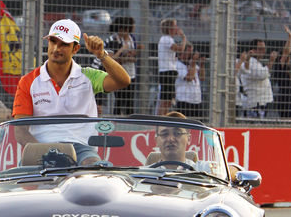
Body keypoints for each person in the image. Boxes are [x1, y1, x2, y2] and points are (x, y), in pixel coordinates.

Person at [12, 19, 130, 163]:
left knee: (95, 170)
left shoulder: (88, 76)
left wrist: (101, 55)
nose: (56, 48)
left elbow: (123, 81)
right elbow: (20, 131)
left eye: (64, 44)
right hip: (41, 148)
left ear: (75, 49)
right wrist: (48, 153)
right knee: (19, 181)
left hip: (81, 148)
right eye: (53, 41)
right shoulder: (28, 81)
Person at [97, 16, 142, 115]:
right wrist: (124, 53)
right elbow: (112, 59)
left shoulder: (132, 38)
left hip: (131, 72)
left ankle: (130, 123)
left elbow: (130, 54)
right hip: (119, 74)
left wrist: (133, 53)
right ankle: (116, 122)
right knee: (119, 100)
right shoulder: (114, 40)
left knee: (130, 100)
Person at [156, 18, 187, 115]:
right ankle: (161, 120)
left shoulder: (169, 39)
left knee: (169, 100)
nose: (177, 28)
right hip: (166, 71)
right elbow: (180, 49)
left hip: (170, 71)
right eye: (175, 26)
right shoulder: (166, 39)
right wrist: (183, 38)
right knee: (164, 100)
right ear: (170, 28)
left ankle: (164, 118)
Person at [239, 38, 276, 118]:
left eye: (264, 49)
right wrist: (271, 61)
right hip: (255, 103)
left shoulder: (256, 62)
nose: (263, 51)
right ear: (253, 50)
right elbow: (262, 75)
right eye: (260, 49)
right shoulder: (251, 62)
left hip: (260, 102)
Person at [272, 25, 291, 118]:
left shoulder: (283, 68)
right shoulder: (280, 67)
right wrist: (290, 37)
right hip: (285, 100)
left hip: (288, 99)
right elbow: (286, 52)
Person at [175, 43, 204, 119]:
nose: (191, 54)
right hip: (184, 101)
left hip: (196, 100)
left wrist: (201, 64)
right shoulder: (177, 65)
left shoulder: (192, 64)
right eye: (189, 52)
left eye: (192, 51)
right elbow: (189, 78)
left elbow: (202, 78)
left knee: (197, 126)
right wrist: (193, 62)